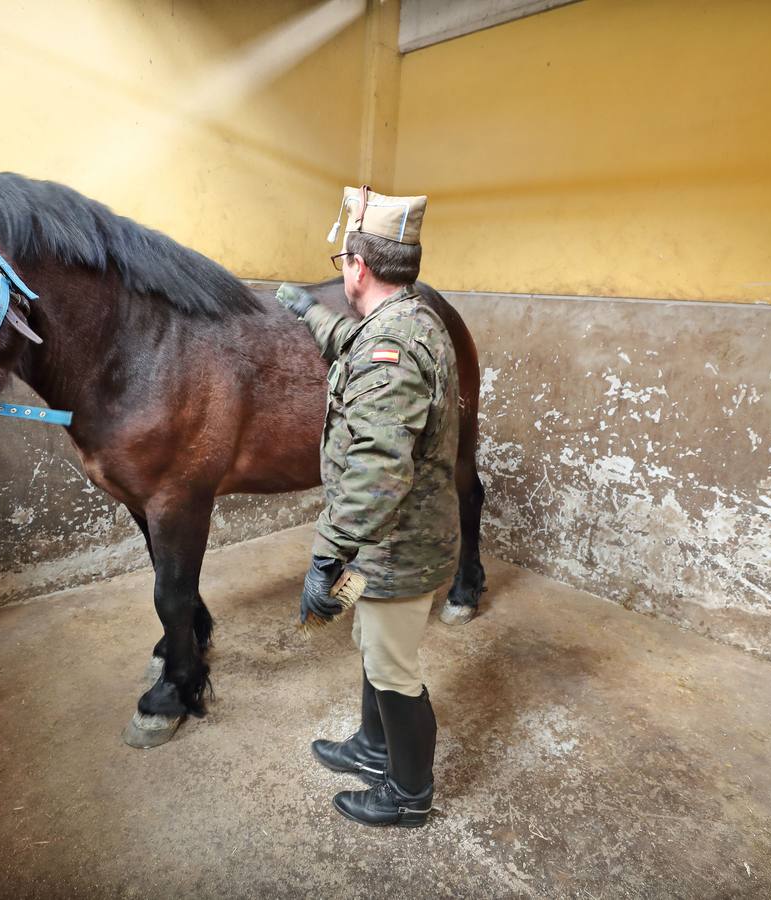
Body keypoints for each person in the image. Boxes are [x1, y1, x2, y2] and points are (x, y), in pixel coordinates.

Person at [275, 185, 460, 828]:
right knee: (364, 638)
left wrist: (327, 558)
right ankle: (373, 746)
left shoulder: (396, 349)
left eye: (341, 264)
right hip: (378, 548)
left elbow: (379, 472)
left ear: (358, 265)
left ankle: (409, 795)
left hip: (392, 548)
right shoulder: (402, 321)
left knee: (392, 665)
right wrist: (308, 313)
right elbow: (356, 347)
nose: (342, 274)